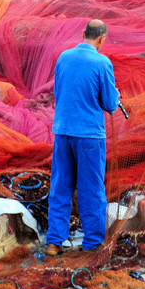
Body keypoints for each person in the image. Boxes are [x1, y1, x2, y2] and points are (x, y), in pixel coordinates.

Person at [46, 19, 120, 256]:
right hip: (89, 136)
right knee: (91, 188)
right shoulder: (102, 62)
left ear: (84, 34)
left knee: (60, 186)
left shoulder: (63, 58)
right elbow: (109, 104)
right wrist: (115, 96)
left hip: (62, 131)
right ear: (102, 39)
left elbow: (59, 92)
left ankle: (54, 242)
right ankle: (92, 243)